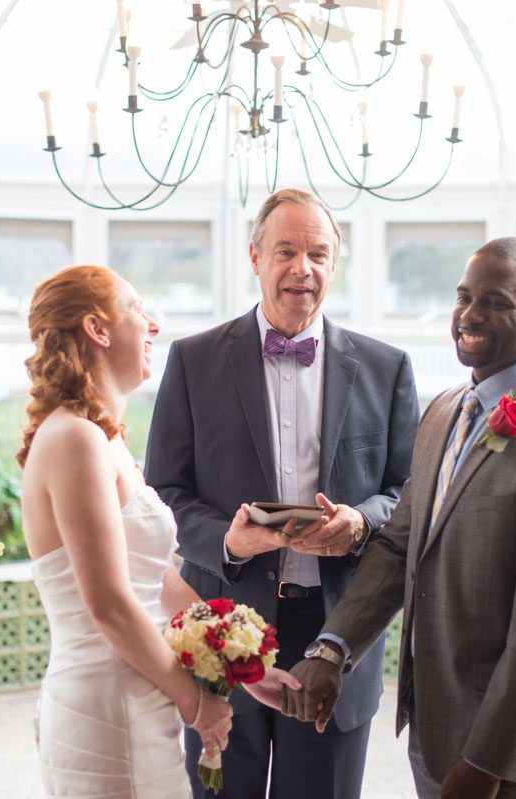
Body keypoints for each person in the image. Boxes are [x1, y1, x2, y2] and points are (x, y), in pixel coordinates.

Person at [285, 238, 516, 799]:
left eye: (496, 302)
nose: (470, 315)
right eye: (464, 297)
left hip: (511, 744)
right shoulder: (441, 410)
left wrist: (489, 761)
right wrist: (333, 646)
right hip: (435, 719)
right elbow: (399, 544)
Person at [145, 189, 420, 798]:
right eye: (286, 251)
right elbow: (163, 490)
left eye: (319, 253)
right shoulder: (192, 361)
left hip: (337, 631)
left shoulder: (387, 367)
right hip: (225, 624)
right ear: (254, 256)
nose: (303, 268)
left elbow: (408, 491)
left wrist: (361, 521)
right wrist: (227, 541)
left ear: (335, 263)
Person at [19, 265, 295, 799]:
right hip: (102, 702)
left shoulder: (106, 440)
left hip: (140, 695)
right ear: (98, 330)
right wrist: (199, 706)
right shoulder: (73, 439)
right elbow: (111, 606)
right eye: (137, 310)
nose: (153, 325)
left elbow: (154, 579)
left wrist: (241, 666)